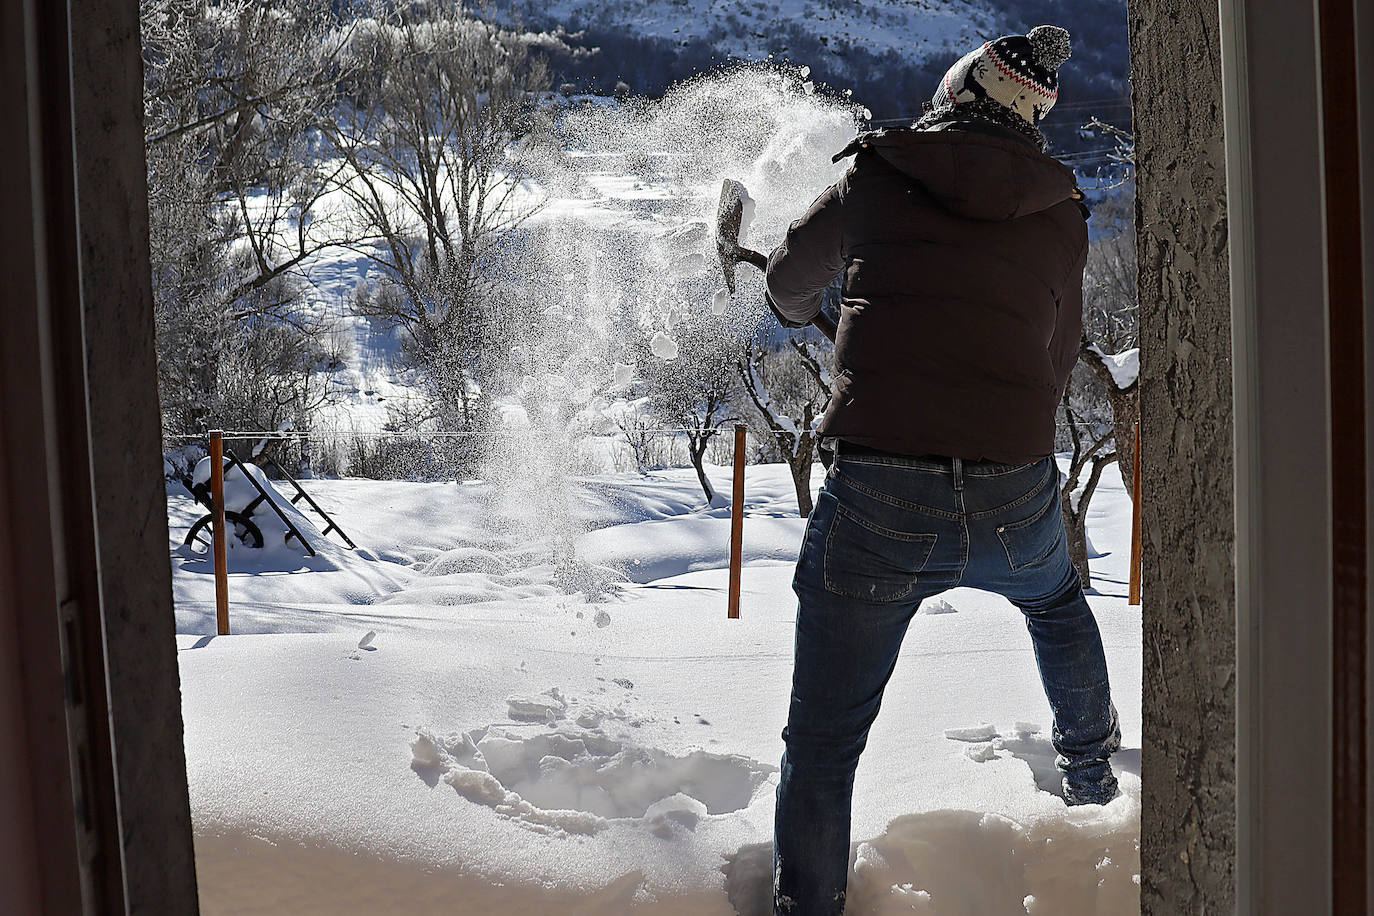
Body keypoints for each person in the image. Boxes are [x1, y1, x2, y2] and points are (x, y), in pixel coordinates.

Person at [764, 25, 1121, 914]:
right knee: (1055, 601)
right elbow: (1059, 346)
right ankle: (1092, 793)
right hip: (1014, 490)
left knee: (822, 743)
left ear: (955, 92)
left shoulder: (877, 174)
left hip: (880, 494)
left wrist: (827, 304)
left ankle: (807, 903)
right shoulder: (1063, 211)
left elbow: (785, 282)